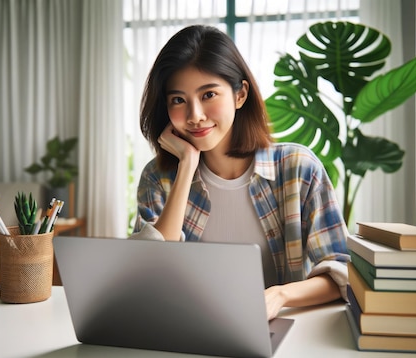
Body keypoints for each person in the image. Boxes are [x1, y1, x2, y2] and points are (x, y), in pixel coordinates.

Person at [132, 24, 349, 320]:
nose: (195, 116)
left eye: (208, 94)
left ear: (240, 94)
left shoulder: (298, 169)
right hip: (188, 330)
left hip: (281, 335)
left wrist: (280, 294)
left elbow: (341, 272)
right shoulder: (158, 178)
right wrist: (186, 168)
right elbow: (145, 274)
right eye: (179, 100)